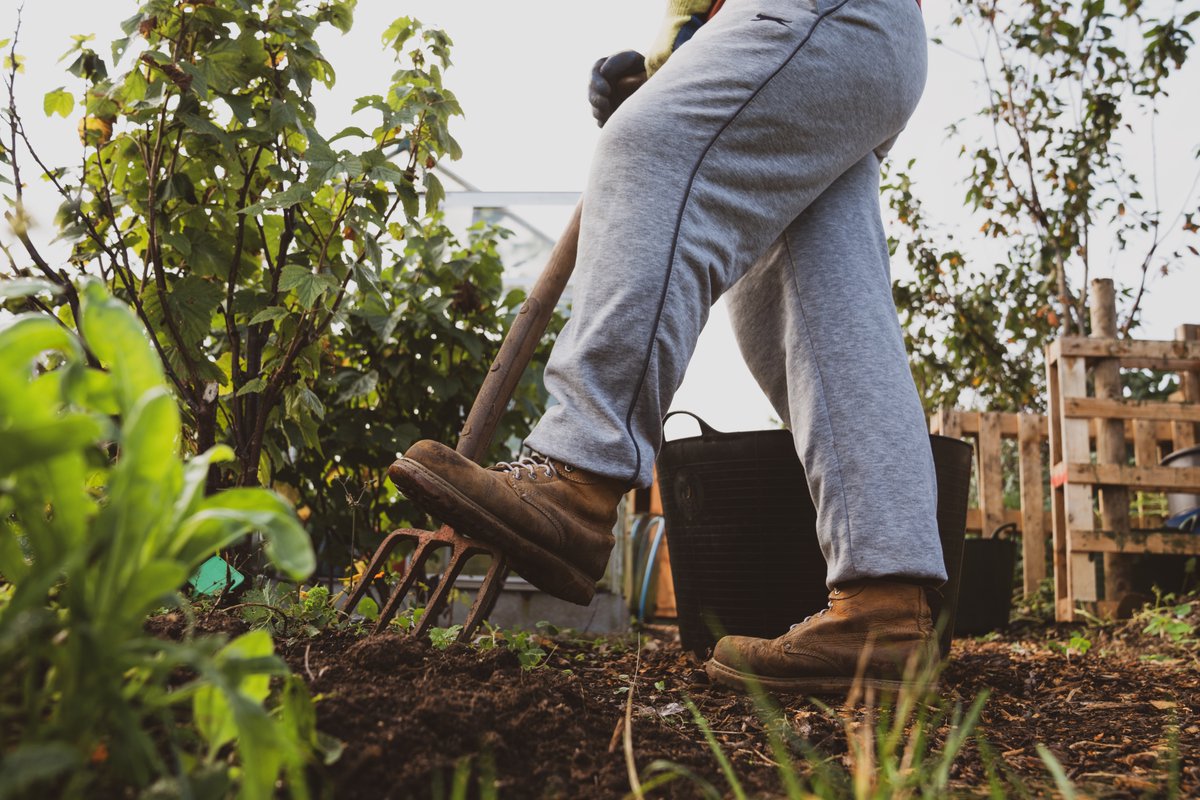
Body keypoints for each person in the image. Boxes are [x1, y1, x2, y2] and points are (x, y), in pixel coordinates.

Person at [389, 0, 944, 694]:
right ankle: (885, 607)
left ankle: (578, 475)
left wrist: (659, 74)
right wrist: (665, 64)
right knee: (807, 296)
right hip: (865, 42)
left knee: (645, 144)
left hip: (824, 14)